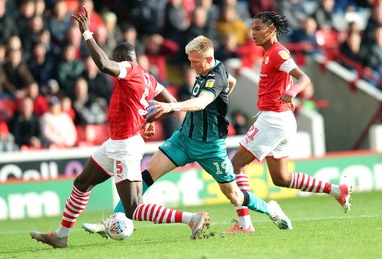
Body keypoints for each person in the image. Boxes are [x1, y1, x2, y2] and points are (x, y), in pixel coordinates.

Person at [29, 7, 210, 249]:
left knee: (134, 208)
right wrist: (149, 119)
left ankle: (191, 218)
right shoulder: (147, 76)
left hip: (126, 145)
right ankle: (61, 235)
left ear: (121, 59)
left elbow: (103, 65)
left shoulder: (128, 69)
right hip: (116, 142)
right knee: (82, 183)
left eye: (116, 62)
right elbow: (169, 100)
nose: (116, 68)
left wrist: (86, 34)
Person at [82, 35, 293, 237]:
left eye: (196, 62)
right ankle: (115, 219)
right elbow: (232, 81)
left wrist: (171, 106)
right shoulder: (212, 70)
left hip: (210, 147)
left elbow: (201, 102)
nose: (193, 66)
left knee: (235, 196)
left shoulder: (215, 76)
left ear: (209, 59)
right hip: (183, 140)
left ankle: (270, 209)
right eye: (191, 61)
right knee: (148, 175)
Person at [230, 11, 352, 227]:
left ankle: (244, 224)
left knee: (236, 166)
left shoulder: (278, 53)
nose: (253, 33)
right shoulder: (269, 53)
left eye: (258, 29)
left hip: (273, 119)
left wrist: (293, 91)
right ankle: (336, 190)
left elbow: (304, 77)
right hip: (281, 119)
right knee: (281, 178)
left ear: (271, 30)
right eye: (252, 29)